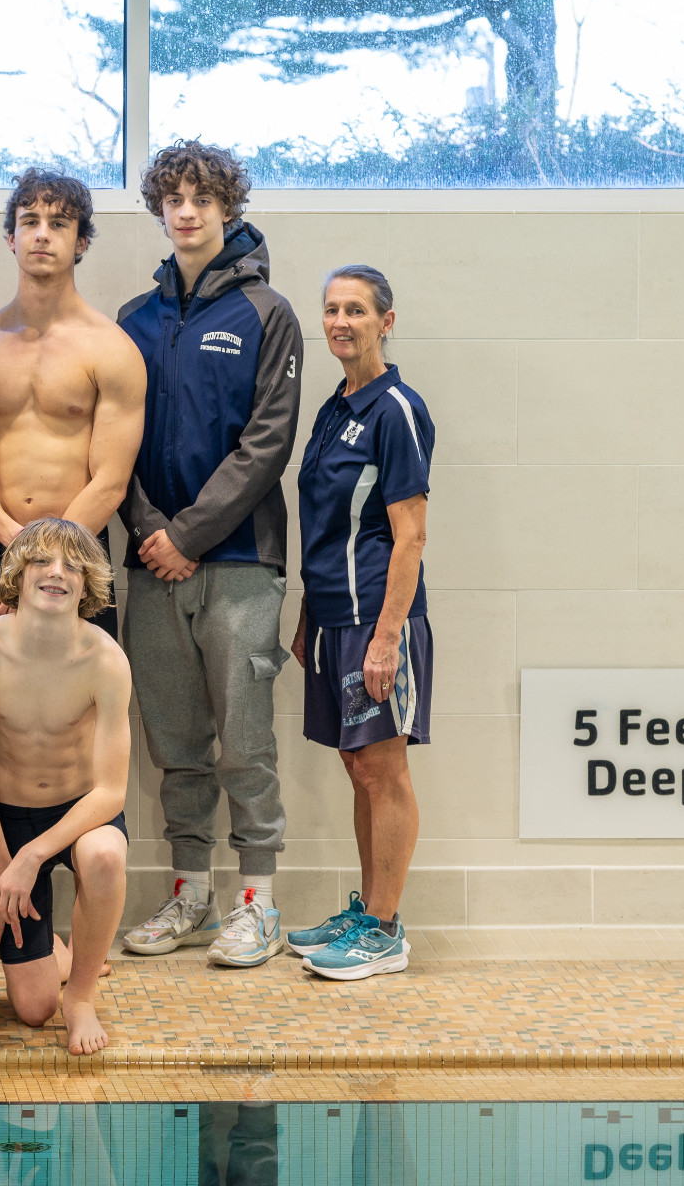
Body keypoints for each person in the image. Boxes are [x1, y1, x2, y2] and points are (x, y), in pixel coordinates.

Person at [0, 167, 144, 964]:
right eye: (27, 219)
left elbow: (111, 477)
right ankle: (7, 899)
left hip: (79, 564)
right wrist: (12, 551)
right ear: (8, 234)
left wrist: (49, 555)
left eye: (58, 222)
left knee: (75, 729)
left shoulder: (110, 350)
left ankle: (75, 912)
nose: (40, 233)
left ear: (81, 241)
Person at [116, 140, 303, 969]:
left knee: (245, 741)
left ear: (228, 206)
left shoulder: (268, 313)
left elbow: (266, 443)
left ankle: (257, 903)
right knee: (174, 743)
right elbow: (111, 443)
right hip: (149, 562)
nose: (185, 211)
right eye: (173, 198)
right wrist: (150, 531)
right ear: (159, 209)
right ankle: (191, 894)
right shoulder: (133, 319)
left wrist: (186, 535)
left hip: (237, 561)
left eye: (202, 197)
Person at [286, 265, 432, 981]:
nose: (340, 321)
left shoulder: (395, 409)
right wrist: (308, 616)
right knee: (356, 766)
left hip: (377, 618)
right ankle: (367, 911)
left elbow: (409, 536)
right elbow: (321, 523)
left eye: (356, 310)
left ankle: (384, 930)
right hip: (332, 618)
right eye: (331, 309)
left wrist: (385, 635)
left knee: (383, 768)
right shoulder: (333, 406)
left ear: (385, 320)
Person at [0, 520, 130, 1055]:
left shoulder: (105, 661)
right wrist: (2, 860)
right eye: (43, 562)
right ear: (16, 573)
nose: (58, 573)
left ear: (88, 584)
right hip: (9, 816)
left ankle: (81, 995)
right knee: (32, 1010)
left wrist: (33, 856)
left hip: (81, 814)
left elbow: (111, 792)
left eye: (73, 565)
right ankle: (54, 950)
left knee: (103, 857)